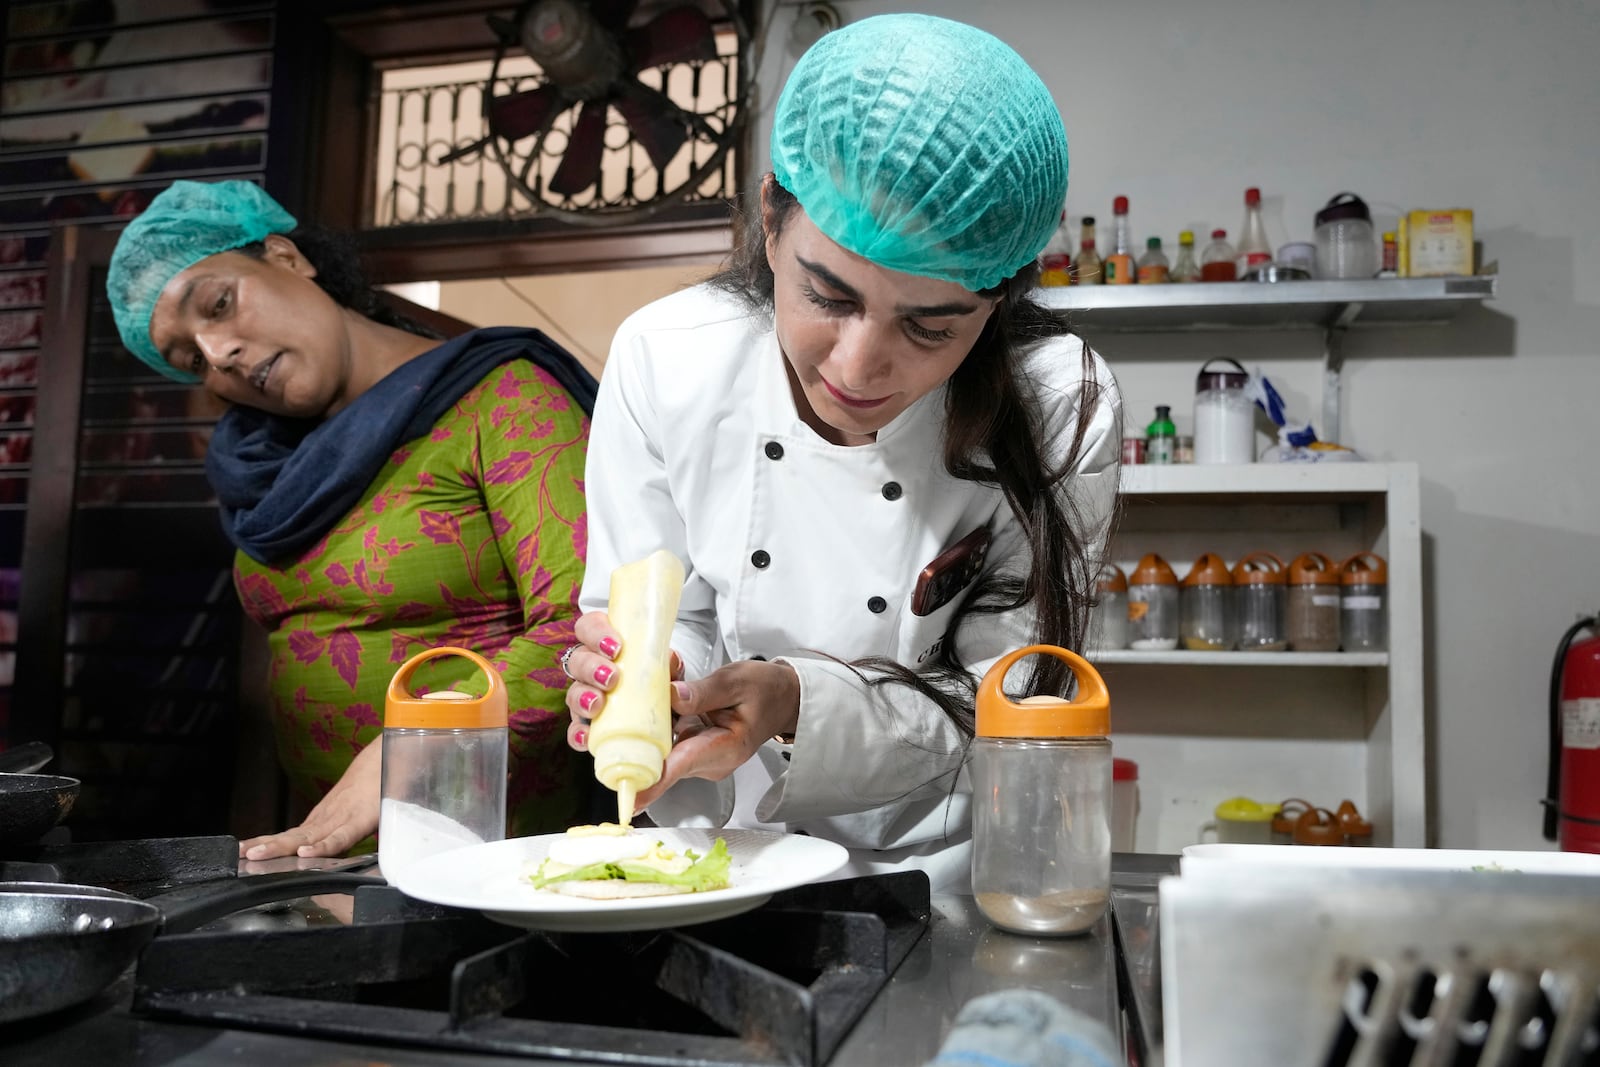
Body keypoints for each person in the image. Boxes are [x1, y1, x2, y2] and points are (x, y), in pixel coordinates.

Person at [559, 14, 1122, 892]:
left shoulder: (1060, 403)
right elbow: (665, 616)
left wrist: (794, 701)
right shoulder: (669, 356)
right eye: (827, 294)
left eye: (929, 327)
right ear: (771, 221)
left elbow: (1011, 702)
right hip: (714, 859)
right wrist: (653, 688)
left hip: (943, 870)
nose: (858, 366)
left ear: (998, 301)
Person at [105, 180, 597, 860]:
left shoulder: (504, 398)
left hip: (506, 854)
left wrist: (420, 743)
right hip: (335, 857)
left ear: (285, 257)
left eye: (219, 303)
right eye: (191, 360)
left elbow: (586, 627)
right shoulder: (260, 470)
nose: (217, 355)